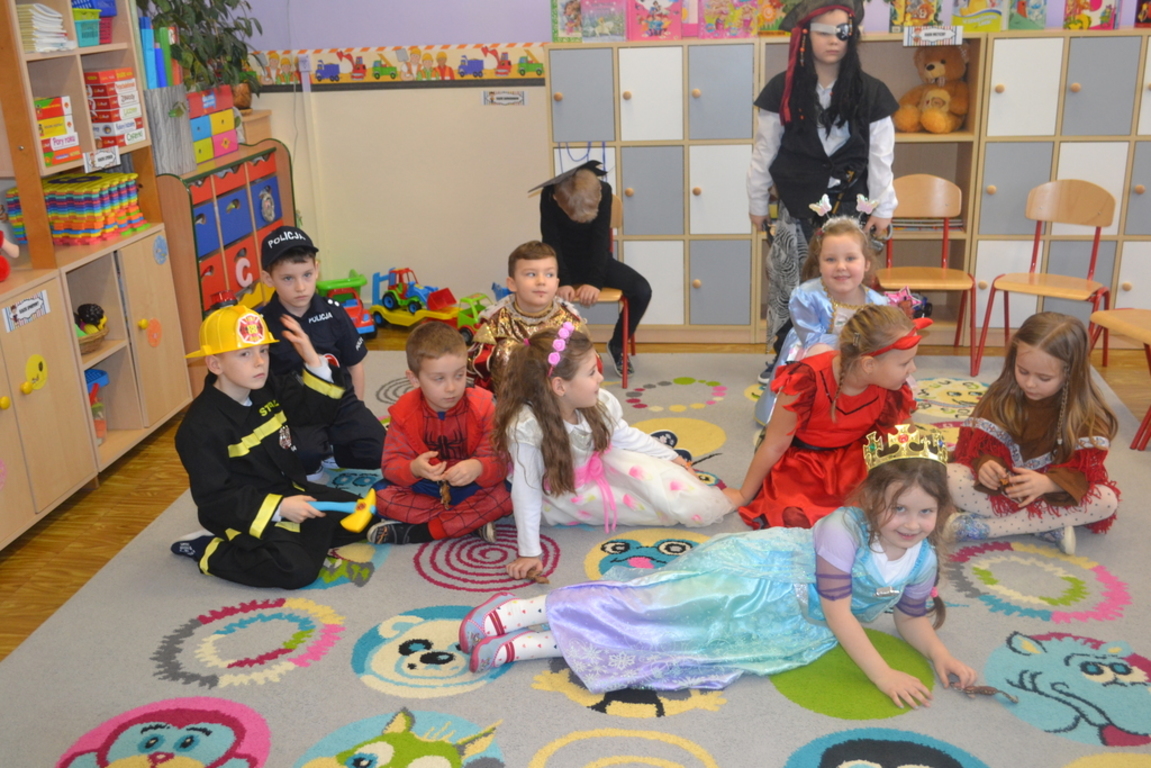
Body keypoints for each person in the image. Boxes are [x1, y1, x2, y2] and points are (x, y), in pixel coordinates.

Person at [460, 427, 977, 708]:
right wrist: (882, 674)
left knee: (671, 645)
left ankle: (529, 645)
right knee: (657, 604)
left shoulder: (923, 558)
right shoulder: (845, 529)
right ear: (870, 498)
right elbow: (841, 612)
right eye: (899, 508)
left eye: (925, 512)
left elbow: (910, 617)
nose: (912, 524)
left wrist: (941, 655)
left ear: (941, 511)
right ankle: (524, 610)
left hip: (786, 626)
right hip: (755, 578)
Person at [493, 324, 732, 579]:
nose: (600, 378)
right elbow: (526, 490)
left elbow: (625, 435)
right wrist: (529, 551)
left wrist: (672, 457)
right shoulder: (527, 428)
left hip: (599, 463)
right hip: (562, 495)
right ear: (560, 386)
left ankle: (663, 449)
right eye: (591, 372)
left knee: (659, 478)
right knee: (657, 509)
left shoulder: (595, 403)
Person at [747, 0, 898, 383]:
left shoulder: (871, 91)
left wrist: (884, 208)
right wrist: (757, 200)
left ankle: (854, 353)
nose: (834, 40)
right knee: (790, 282)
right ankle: (785, 355)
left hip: (852, 206)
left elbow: (881, 157)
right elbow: (764, 150)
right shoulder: (782, 89)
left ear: (853, 36)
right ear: (804, 37)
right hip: (797, 205)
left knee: (847, 280)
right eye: (824, 32)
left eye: (842, 32)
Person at [171, 304, 366, 589]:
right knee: (297, 571)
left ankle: (292, 535)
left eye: (263, 351)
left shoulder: (267, 386)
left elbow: (314, 412)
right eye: (245, 354)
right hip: (240, 511)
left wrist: (313, 360)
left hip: (287, 490)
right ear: (215, 364)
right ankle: (209, 549)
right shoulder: (199, 428)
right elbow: (215, 497)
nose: (260, 362)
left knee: (359, 515)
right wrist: (279, 508)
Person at [729, 304, 924, 530]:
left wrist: (927, 474)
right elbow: (774, 445)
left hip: (856, 462)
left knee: (885, 508)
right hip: (804, 467)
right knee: (795, 517)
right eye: (904, 363)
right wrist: (743, 494)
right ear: (869, 364)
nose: (913, 369)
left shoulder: (891, 386)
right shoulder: (806, 380)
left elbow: (907, 435)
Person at [947, 312, 1120, 556]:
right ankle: (1047, 526)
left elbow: (1085, 472)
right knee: (945, 475)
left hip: (1051, 495)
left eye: (1044, 378)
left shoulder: (1086, 414)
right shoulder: (1003, 394)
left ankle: (986, 528)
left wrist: (1049, 483)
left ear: (1070, 373)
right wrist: (986, 465)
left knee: (1106, 500)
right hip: (1004, 490)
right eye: (1023, 371)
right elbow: (977, 448)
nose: (1030, 383)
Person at [367, 321, 513, 545]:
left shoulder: (484, 407)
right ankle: (470, 520)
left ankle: (424, 531)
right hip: (425, 489)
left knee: (512, 491)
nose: (451, 387)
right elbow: (390, 466)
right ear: (414, 379)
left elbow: (500, 463)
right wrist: (414, 468)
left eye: (459, 375)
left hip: (471, 487)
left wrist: (478, 466)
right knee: (378, 496)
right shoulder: (404, 412)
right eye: (439, 379)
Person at [258, 225, 386, 477]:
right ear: (268, 278)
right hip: (296, 410)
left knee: (380, 450)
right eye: (288, 278)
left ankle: (333, 451)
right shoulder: (262, 323)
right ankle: (316, 453)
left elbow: (354, 364)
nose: (300, 287)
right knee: (302, 457)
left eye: (307, 275)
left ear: (317, 269)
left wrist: (357, 410)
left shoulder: (334, 311)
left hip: (340, 401)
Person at [756, 216, 887, 425]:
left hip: (859, 357)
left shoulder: (878, 302)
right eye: (831, 259)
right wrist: (851, 346)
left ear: (866, 264)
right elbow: (811, 338)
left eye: (850, 258)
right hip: (812, 350)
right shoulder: (806, 295)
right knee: (819, 355)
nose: (841, 266)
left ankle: (859, 412)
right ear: (819, 264)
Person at [537, 160, 652, 377]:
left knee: (641, 290)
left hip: (596, 261)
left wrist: (594, 282)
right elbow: (551, 241)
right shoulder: (549, 195)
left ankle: (617, 345)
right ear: (558, 199)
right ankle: (551, 350)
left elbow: (600, 240)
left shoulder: (603, 190)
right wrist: (563, 281)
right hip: (561, 262)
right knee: (535, 291)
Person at [467, 240, 587, 392]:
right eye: (531, 274)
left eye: (549, 274)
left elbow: (589, 365)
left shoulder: (569, 322)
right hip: (510, 398)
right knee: (506, 349)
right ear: (512, 284)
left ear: (557, 283)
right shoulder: (496, 322)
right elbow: (477, 370)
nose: (541, 281)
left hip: (558, 398)